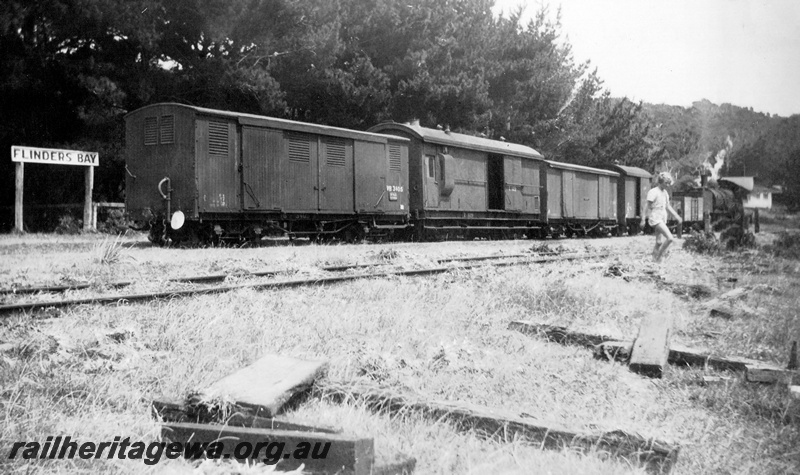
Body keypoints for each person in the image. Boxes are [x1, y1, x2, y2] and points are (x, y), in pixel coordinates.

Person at [640, 172, 682, 262]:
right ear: (661, 181)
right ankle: (659, 257)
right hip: (655, 218)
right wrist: (643, 219)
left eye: (668, 183)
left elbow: (668, 206)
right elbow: (646, 206)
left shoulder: (665, 193)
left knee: (659, 242)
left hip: (662, 218)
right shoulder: (653, 192)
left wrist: (677, 216)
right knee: (670, 238)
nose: (668, 185)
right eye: (666, 183)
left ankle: (653, 261)